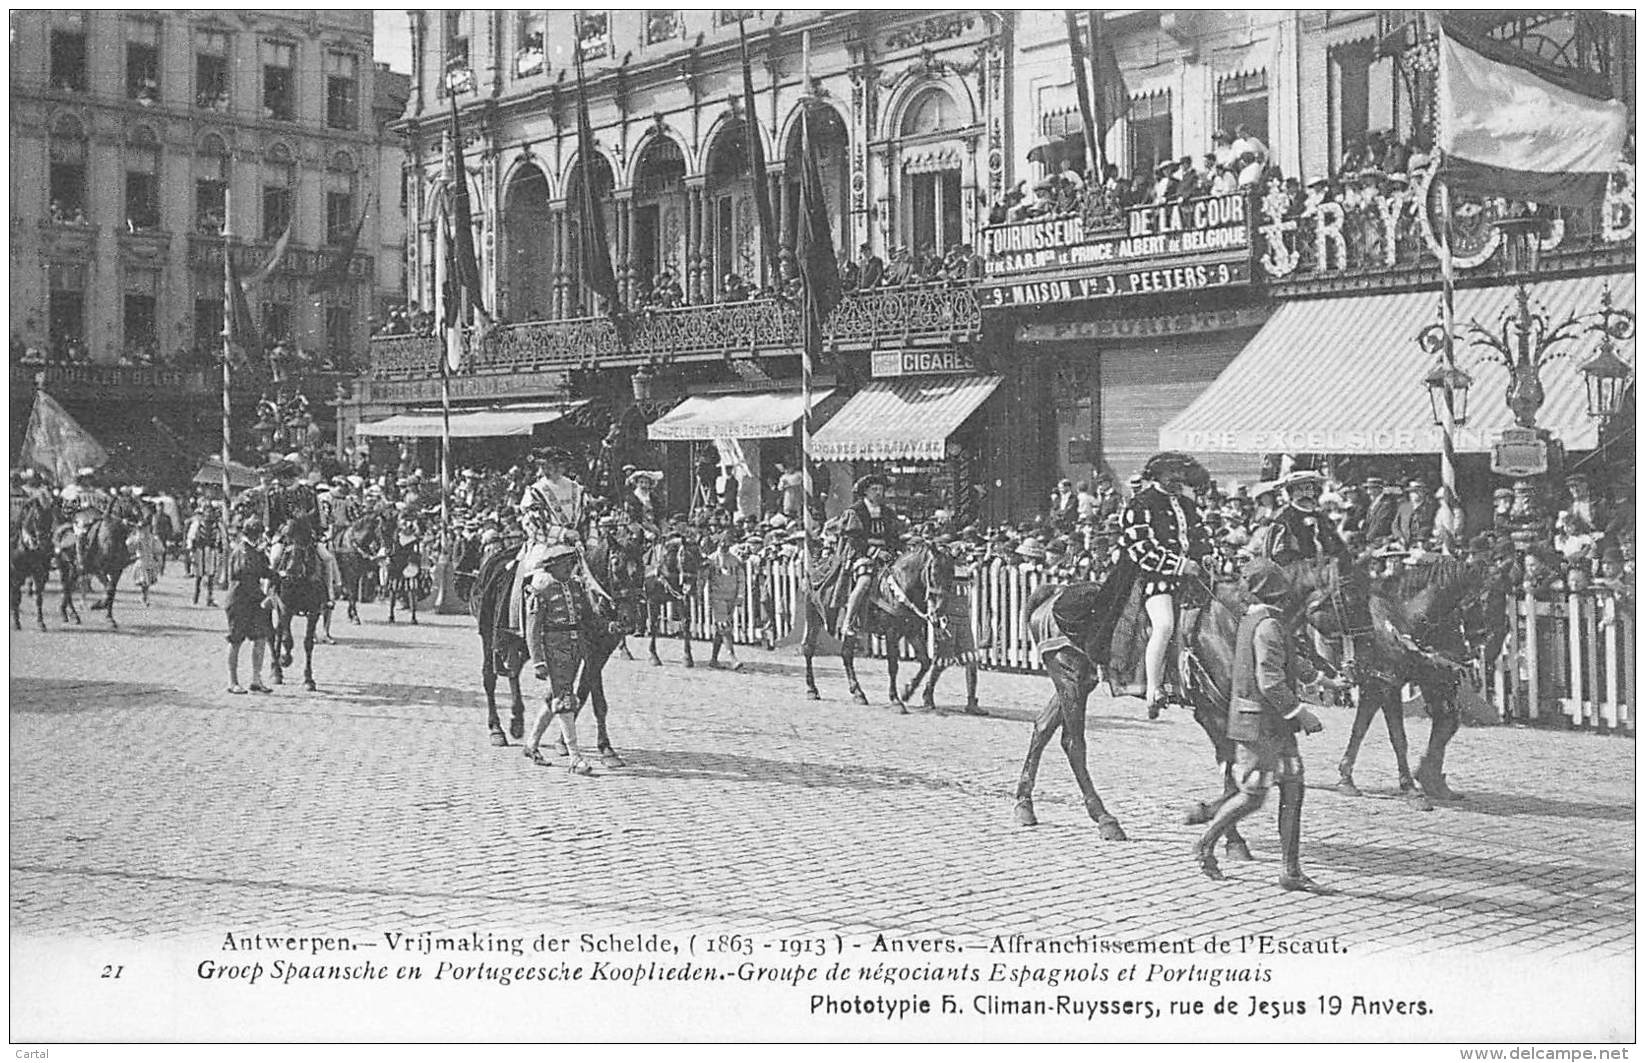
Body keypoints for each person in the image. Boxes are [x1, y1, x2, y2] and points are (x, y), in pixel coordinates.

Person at [1192, 559, 1328, 891]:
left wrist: (1322, 678)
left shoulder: (1258, 620)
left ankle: (1290, 871)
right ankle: (1205, 845)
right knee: (1253, 794)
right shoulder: (1266, 625)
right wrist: (1302, 713)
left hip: (1272, 725)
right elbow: (1270, 682)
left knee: (1294, 787)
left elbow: (1286, 659)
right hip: (1259, 726)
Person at [1120, 452, 1213, 718]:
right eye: (1172, 476)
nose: (1177, 481)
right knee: (1165, 625)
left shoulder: (1187, 503)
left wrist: (1205, 555)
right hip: (1155, 577)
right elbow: (1142, 549)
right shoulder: (1141, 504)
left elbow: (1200, 535)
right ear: (1158, 475)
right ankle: (1153, 689)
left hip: (1192, 576)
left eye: (1180, 477)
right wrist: (1180, 565)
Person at [519, 543, 604, 776]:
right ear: (553, 566)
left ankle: (531, 744)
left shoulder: (575, 586)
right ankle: (575, 757)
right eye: (566, 564)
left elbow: (586, 616)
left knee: (555, 696)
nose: (570, 568)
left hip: (575, 647)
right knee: (565, 699)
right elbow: (533, 629)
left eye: (571, 563)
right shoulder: (541, 588)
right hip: (554, 648)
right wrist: (538, 660)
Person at [510, 448, 587, 676]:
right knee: (538, 588)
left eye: (554, 464)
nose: (548, 469)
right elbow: (533, 525)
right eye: (544, 465)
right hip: (546, 549)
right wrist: (563, 535)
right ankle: (536, 651)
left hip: (576, 549)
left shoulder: (576, 489)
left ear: (563, 466)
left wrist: (589, 540)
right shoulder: (535, 491)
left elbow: (588, 519)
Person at [838, 473, 907, 637]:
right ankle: (849, 621)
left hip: (887, 556)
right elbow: (854, 540)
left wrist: (898, 548)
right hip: (862, 554)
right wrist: (875, 552)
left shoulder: (887, 512)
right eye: (874, 489)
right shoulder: (855, 511)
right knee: (864, 582)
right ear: (865, 492)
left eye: (881, 489)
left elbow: (893, 536)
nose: (878, 493)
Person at [224, 517, 275, 695]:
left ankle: (256, 679)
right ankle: (233, 682)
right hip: (239, 601)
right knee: (236, 640)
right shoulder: (242, 551)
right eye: (260, 534)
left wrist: (279, 575)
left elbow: (264, 571)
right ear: (255, 535)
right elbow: (246, 578)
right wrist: (263, 598)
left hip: (253, 601)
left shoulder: (254, 551)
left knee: (260, 638)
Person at [1258, 470, 1349, 564]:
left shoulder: (1322, 517)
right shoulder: (1284, 520)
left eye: (1308, 488)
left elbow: (1337, 546)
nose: (1304, 493)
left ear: (1314, 491)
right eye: (1299, 489)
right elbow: (1281, 555)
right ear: (1291, 493)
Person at [705, 525, 747, 671]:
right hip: (718, 598)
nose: (724, 544)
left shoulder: (735, 561)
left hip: (731, 597)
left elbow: (741, 579)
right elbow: (704, 580)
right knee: (725, 626)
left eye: (727, 542)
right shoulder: (711, 560)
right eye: (722, 542)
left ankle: (713, 659)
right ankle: (732, 657)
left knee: (721, 629)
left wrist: (740, 595)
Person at [1393, 478, 1437, 548]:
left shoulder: (1431, 508)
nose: (1413, 494)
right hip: (1403, 544)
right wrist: (1399, 537)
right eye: (1411, 492)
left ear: (1423, 493)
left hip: (1423, 545)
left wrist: (1422, 540)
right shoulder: (1404, 507)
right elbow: (1395, 525)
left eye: (1416, 492)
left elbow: (1433, 527)